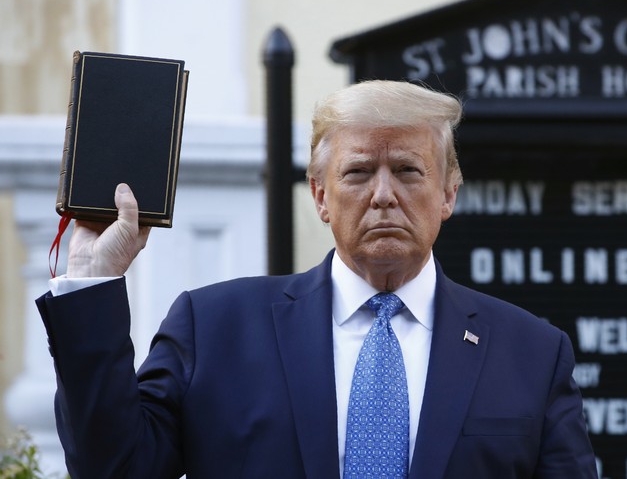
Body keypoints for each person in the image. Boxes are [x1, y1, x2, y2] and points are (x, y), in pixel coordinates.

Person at [36, 80, 598, 478]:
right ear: (321, 195)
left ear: (448, 193)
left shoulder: (531, 353)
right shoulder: (215, 329)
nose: (383, 195)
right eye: (358, 172)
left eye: (407, 170)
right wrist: (93, 282)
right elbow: (113, 468)